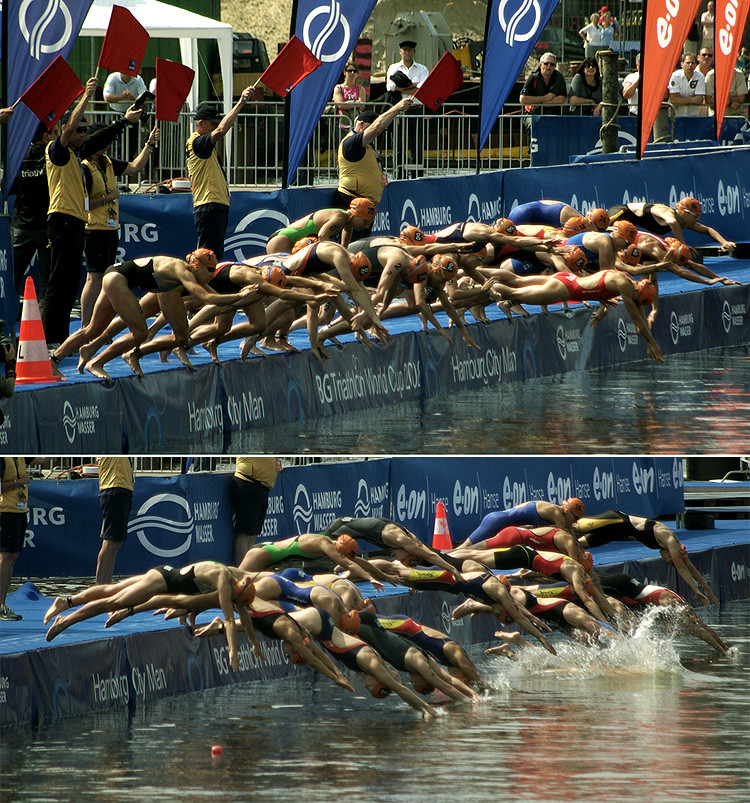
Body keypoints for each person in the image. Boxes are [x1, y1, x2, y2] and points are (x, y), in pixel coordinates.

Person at [42, 78, 144, 347]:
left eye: (85, 132)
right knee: (59, 282)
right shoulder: (58, 151)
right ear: (66, 130)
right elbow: (71, 128)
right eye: (79, 131)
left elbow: (100, 139)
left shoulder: (79, 153)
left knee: (69, 285)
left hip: (77, 221)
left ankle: (62, 337)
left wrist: (125, 121)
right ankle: (50, 337)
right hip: (63, 219)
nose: (83, 135)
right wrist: (86, 96)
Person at [51, 250, 253, 381]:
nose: (212, 274)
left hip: (117, 276)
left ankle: (56, 360)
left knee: (93, 329)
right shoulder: (183, 271)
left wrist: (242, 298)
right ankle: (97, 362)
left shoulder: (193, 273)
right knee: (139, 332)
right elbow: (209, 298)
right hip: (117, 279)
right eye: (210, 270)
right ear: (198, 266)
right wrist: (241, 294)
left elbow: (215, 297)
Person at [44, 562, 265, 666]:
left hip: (165, 578)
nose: (235, 605)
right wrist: (233, 651)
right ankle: (66, 619)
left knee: (113, 590)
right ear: (237, 592)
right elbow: (229, 618)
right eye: (236, 602)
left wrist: (254, 643)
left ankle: (66, 601)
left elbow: (243, 615)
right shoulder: (224, 581)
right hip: (162, 581)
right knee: (112, 601)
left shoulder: (236, 584)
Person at [487, 268, 664, 362]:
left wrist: (601, 297)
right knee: (513, 293)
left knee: (517, 281)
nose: (634, 303)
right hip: (565, 289)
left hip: (566, 279)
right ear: (638, 293)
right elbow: (636, 318)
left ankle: (476, 271)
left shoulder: (627, 281)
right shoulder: (625, 287)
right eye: (637, 301)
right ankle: (480, 287)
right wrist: (653, 344)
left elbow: (602, 284)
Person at [80, 122, 159, 326]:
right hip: (94, 228)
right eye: (104, 143)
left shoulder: (106, 162)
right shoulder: (84, 166)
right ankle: (85, 326)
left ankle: (97, 324)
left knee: (107, 277)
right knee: (94, 277)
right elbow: (83, 203)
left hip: (110, 228)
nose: (107, 147)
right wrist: (108, 197)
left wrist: (149, 145)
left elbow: (134, 167)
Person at [575, 510, 719, 605]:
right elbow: (681, 568)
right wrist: (696, 590)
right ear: (672, 554)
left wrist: (707, 590)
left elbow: (690, 568)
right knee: (575, 526)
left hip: (614, 533)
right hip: (617, 520)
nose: (663, 559)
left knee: (579, 545)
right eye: (667, 560)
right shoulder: (668, 539)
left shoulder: (674, 548)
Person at [187, 89, 260, 259]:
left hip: (215, 205)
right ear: (201, 123)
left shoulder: (205, 146)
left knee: (213, 257)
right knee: (206, 257)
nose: (215, 127)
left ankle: (208, 283)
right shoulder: (196, 142)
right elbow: (220, 131)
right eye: (212, 124)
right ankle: (197, 284)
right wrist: (241, 102)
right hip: (208, 205)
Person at [334, 98, 414, 213]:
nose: (377, 135)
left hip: (364, 204)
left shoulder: (367, 146)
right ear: (361, 124)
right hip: (352, 201)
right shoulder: (352, 142)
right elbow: (376, 128)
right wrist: (397, 107)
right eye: (370, 127)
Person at [323, 516, 466, 578]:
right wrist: (451, 568)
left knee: (340, 557)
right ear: (408, 552)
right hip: (340, 526)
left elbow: (429, 553)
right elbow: (429, 556)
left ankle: (342, 567)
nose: (398, 559)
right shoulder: (401, 540)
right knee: (316, 552)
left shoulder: (412, 541)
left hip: (354, 528)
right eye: (404, 560)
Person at [8, 122, 56, 307]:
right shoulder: (53, 158)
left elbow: (9, 188)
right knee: (47, 281)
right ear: (46, 136)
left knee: (11, 276)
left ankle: (7, 319)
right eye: (55, 133)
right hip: (45, 226)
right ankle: (45, 324)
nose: (57, 137)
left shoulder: (17, 158)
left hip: (22, 225)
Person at [237, 531, 392, 587]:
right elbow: (348, 564)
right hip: (261, 554)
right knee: (236, 581)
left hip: (270, 560)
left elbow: (356, 560)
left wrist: (384, 576)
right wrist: (370, 579)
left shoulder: (334, 544)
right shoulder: (325, 545)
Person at [607, 198, 736, 253]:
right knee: (599, 230)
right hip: (621, 212)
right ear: (685, 213)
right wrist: (683, 245)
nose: (697, 220)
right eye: (695, 217)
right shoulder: (668, 213)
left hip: (629, 224)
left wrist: (723, 242)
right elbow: (672, 222)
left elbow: (707, 230)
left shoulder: (684, 222)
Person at [458, 498, 586, 547]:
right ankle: (439, 555)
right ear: (567, 512)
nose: (575, 522)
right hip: (496, 522)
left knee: (469, 549)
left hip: (499, 520)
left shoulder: (559, 513)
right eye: (575, 519)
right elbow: (567, 536)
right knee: (463, 548)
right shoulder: (556, 513)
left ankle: (441, 556)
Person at [265, 199, 376, 253]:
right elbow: (323, 236)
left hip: (288, 241)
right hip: (282, 241)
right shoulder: (340, 218)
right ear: (356, 215)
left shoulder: (347, 223)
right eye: (366, 222)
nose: (366, 227)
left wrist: (344, 254)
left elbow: (344, 249)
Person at [386, 40, 429, 178]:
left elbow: (423, 89)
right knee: (398, 143)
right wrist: (414, 87)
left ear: (414, 52)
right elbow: (391, 87)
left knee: (417, 144)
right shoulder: (393, 68)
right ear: (400, 51)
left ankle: (417, 175)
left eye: (409, 50)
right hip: (398, 110)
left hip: (416, 109)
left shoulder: (422, 69)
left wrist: (403, 87)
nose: (407, 52)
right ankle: (399, 173)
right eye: (404, 49)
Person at [229, 457, 278, 564]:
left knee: (253, 533)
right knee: (245, 533)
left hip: (262, 487)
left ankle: (247, 565)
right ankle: (241, 569)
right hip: (248, 483)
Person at [94, 457, 134, 585]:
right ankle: (99, 587)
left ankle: (105, 584)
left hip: (121, 489)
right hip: (114, 489)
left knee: (115, 542)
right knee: (110, 542)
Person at [0, 458, 30, 621]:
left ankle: (2, 604)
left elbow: (43, 458)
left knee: (12, 557)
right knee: (5, 558)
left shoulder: (20, 455)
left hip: (20, 510)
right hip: (5, 511)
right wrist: (19, 482)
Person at [332, 61, 366, 130]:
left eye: (354, 71)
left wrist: (347, 103)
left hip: (356, 125)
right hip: (341, 125)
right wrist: (356, 103)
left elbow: (362, 106)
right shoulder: (338, 88)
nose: (352, 73)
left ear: (357, 74)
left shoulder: (361, 89)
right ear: (344, 72)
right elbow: (340, 105)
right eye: (350, 71)